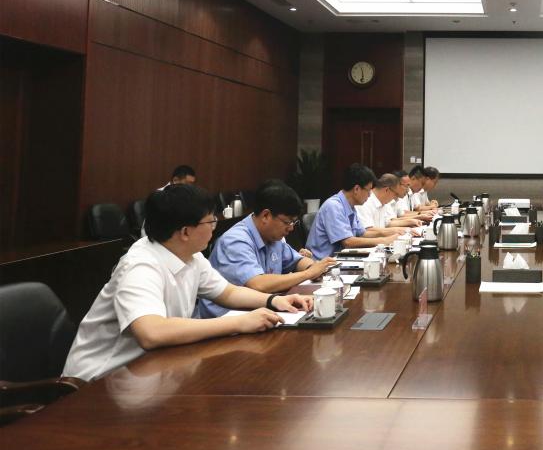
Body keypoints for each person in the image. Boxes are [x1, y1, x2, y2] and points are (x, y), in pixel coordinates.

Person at [62, 185, 312, 382]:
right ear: (184, 232)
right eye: (210, 221)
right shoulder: (140, 266)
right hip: (100, 381)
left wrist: (275, 301)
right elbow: (152, 333)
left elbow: (228, 292)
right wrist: (238, 322)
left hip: (149, 372)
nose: (215, 227)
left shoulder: (190, 256)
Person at [197, 180, 337, 318]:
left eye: (294, 222)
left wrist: (314, 268)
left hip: (260, 311)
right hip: (227, 319)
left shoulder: (272, 236)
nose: (291, 228)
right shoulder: (235, 241)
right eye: (287, 222)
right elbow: (258, 284)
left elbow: (297, 261)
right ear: (266, 216)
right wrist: (308, 274)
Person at [305, 164, 398, 258]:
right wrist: (383, 241)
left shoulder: (351, 206)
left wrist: (392, 233)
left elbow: (363, 233)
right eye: (368, 190)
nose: (370, 195)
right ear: (356, 189)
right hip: (322, 262)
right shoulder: (333, 206)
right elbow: (348, 242)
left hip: (340, 259)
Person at [356, 173, 421, 233]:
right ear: (387, 190)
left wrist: (409, 224)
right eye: (395, 194)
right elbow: (368, 230)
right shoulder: (365, 202)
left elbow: (388, 223)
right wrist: (401, 230)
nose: (394, 198)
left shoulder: (384, 202)